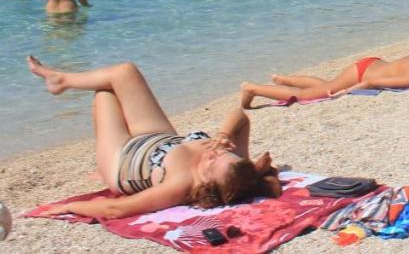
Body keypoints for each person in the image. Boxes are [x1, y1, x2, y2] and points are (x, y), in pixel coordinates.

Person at [25, 57, 280, 219]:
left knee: (105, 91)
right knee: (124, 71)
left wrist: (69, 208)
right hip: (158, 137)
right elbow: (240, 116)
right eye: (224, 152)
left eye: (213, 160)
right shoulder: (234, 167)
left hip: (123, 158)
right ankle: (61, 80)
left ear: (206, 181)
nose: (214, 151)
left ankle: (60, 81)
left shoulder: (180, 184)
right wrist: (225, 135)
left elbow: (116, 209)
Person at [240, 51, 409, 107]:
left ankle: (283, 79)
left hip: (372, 63)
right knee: (306, 96)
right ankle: (252, 89)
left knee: (326, 84)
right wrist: (346, 93)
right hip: (364, 74)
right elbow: (372, 83)